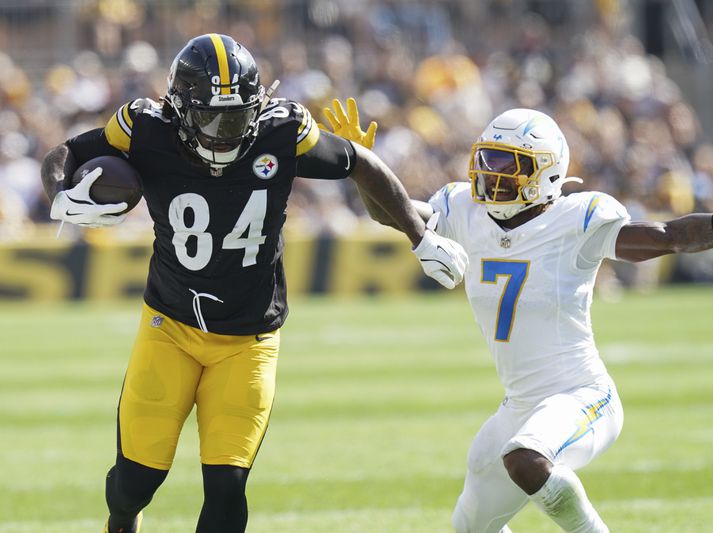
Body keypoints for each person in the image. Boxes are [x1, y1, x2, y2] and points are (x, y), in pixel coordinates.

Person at [40, 34, 468, 533]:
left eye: (237, 118)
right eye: (211, 119)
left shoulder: (282, 130)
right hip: (169, 327)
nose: (225, 133)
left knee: (226, 490)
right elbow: (65, 151)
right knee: (134, 482)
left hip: (249, 341)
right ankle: (123, 520)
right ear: (179, 109)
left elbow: (361, 164)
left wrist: (419, 236)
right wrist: (59, 194)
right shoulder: (144, 126)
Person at [322, 98, 713, 533]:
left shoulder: (575, 219)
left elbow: (668, 235)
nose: (491, 173)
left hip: (581, 394)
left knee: (526, 458)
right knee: (470, 526)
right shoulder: (464, 207)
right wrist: (366, 168)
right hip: (520, 404)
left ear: (545, 172)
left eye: (508, 163)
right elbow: (394, 214)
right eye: (487, 159)